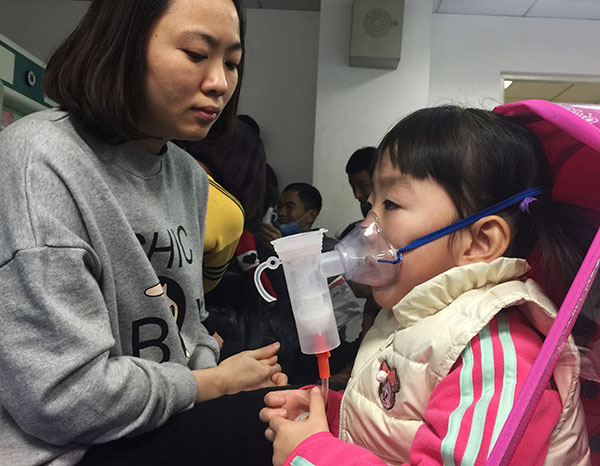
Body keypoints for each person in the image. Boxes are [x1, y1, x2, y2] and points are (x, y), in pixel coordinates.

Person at [0, 1, 288, 465]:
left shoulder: (186, 176)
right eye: (197, 54)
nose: (220, 83)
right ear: (123, 44)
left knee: (287, 411)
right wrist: (214, 385)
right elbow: (62, 400)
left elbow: (187, 330)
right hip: (68, 447)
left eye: (232, 63)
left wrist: (223, 378)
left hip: (160, 413)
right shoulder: (41, 158)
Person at [260, 105, 598, 465]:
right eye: (371, 204)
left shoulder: (497, 356)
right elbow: (400, 422)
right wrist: (330, 411)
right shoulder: (415, 317)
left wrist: (314, 454)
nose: (367, 227)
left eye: (390, 204)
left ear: (480, 242)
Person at [259, 183, 364, 382]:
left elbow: (344, 311)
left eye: (290, 207)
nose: (281, 213)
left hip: (321, 344)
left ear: (311, 215)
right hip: (279, 341)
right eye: (279, 206)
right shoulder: (267, 248)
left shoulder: (327, 251)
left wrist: (290, 259)